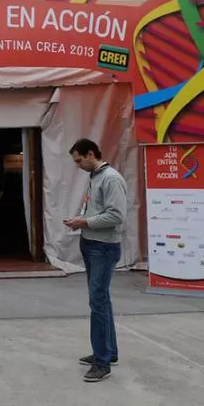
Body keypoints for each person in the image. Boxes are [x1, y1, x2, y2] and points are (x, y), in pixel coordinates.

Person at [64, 138, 128, 383]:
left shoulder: (111, 178)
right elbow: (93, 209)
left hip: (103, 247)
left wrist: (85, 222)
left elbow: (115, 215)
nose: (78, 165)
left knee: (98, 302)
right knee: (101, 300)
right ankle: (108, 352)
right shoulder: (95, 177)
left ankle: (102, 362)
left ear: (91, 154)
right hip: (91, 243)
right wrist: (80, 219)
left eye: (79, 160)